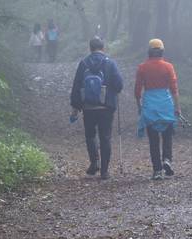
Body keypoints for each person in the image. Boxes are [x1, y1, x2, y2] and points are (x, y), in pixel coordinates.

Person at [70, 37, 124, 178]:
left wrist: (76, 107)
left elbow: (77, 85)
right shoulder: (110, 63)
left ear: (90, 48)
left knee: (90, 136)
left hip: (88, 106)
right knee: (105, 137)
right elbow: (119, 85)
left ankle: (95, 163)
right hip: (106, 106)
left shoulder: (83, 64)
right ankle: (105, 171)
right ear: (103, 48)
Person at [134, 38, 179, 180]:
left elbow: (137, 90)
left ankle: (157, 170)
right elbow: (174, 90)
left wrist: (139, 106)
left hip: (150, 105)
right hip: (165, 104)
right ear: (162, 51)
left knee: (153, 139)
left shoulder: (142, 67)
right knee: (167, 135)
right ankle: (167, 159)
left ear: (149, 52)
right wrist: (177, 108)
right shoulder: (168, 67)